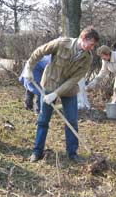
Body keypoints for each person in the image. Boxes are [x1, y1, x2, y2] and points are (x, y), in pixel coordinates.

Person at [23, 26, 100, 163]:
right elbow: (39, 52)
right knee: (43, 120)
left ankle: (72, 153)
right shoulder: (62, 43)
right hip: (49, 84)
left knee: (71, 121)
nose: (92, 48)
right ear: (83, 38)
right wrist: (29, 68)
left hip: (69, 90)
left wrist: (56, 94)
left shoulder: (87, 58)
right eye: (91, 44)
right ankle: (37, 152)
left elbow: (74, 80)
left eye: (94, 45)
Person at [85, 45, 116, 117]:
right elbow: (103, 72)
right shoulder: (105, 61)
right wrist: (94, 82)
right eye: (101, 57)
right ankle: (113, 109)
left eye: (103, 56)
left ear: (107, 54)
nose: (102, 58)